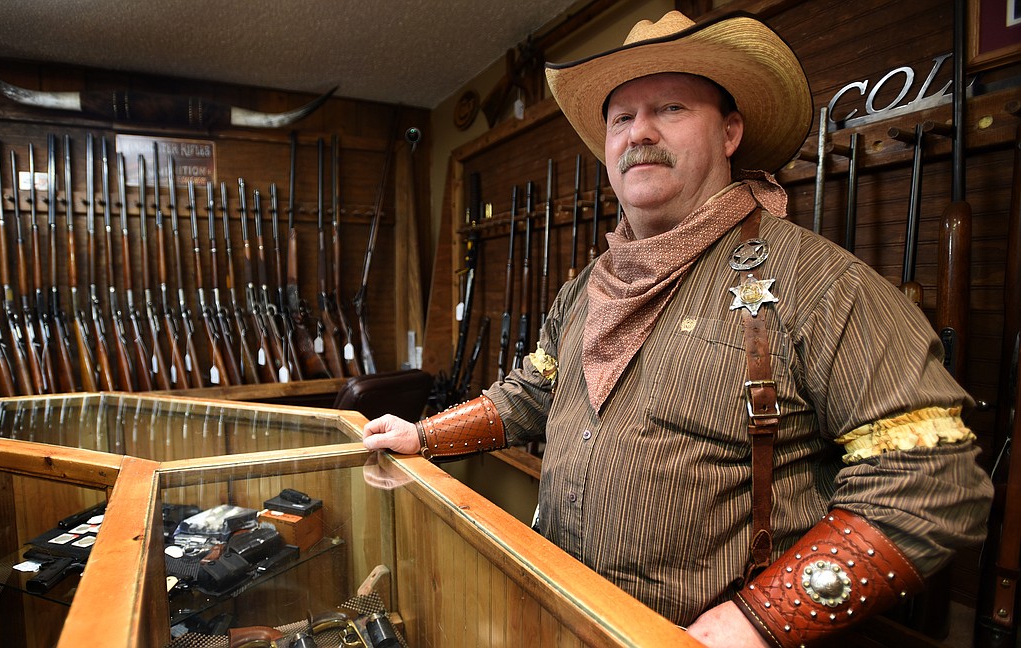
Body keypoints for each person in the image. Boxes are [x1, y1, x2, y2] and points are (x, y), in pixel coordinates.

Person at [363, 10, 992, 648]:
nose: (640, 133)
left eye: (669, 108)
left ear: (729, 132)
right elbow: (535, 392)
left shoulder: (821, 285)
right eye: (621, 118)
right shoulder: (589, 286)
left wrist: (756, 620)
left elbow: (934, 483)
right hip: (556, 621)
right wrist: (424, 435)